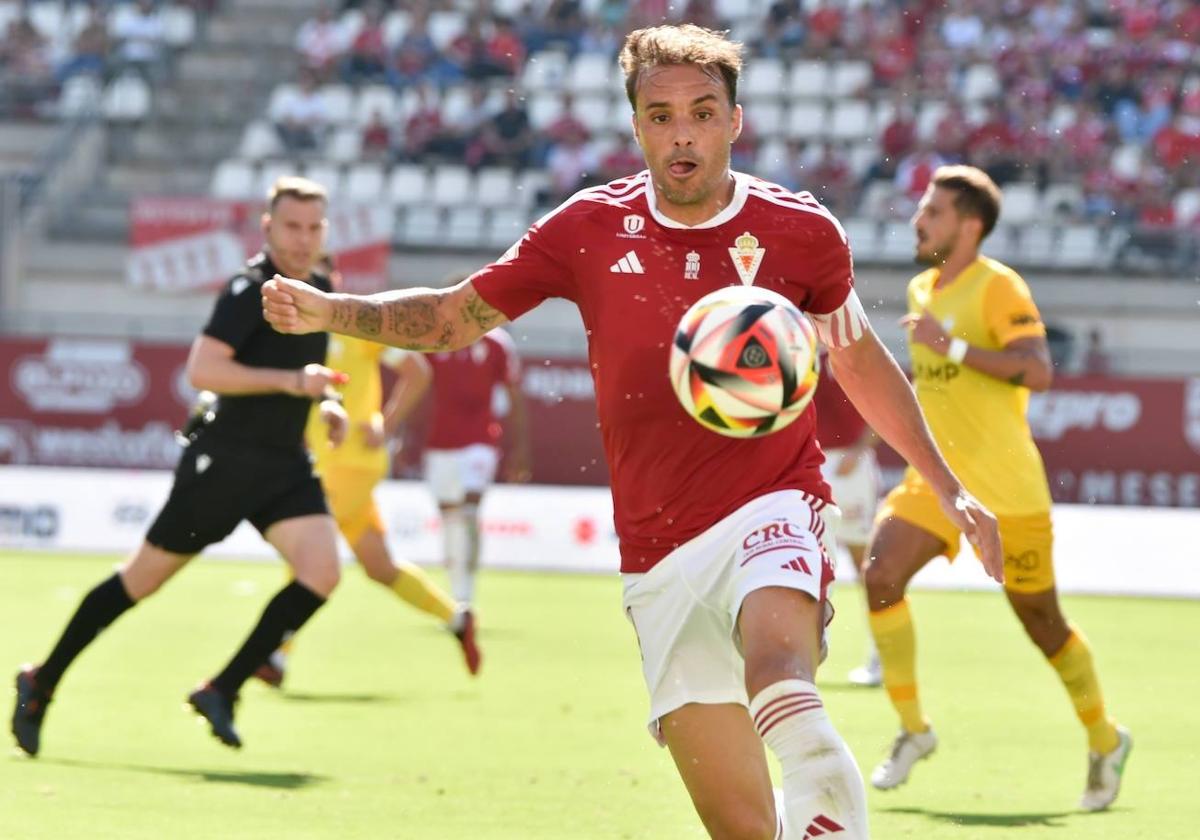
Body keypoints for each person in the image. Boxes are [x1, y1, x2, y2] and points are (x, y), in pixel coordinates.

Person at [262, 26, 1002, 839]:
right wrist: (332, 310)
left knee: (779, 671)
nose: (682, 132)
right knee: (744, 829)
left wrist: (950, 487)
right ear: (637, 126)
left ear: (735, 121)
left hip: (774, 505)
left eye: (702, 112)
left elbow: (858, 363)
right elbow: (450, 318)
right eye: (660, 115)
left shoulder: (803, 232)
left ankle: (825, 809)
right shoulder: (586, 228)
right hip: (657, 551)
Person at [11, 177, 348, 754]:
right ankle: (41, 681)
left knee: (322, 572)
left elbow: (310, 374)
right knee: (140, 581)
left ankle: (222, 688)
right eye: (292, 226)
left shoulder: (320, 287)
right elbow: (204, 369)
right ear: (267, 228)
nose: (303, 238)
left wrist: (328, 401)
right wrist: (295, 384)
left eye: (314, 227)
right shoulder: (249, 290)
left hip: (283, 465)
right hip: (225, 463)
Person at [862, 165, 1131, 811]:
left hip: (1008, 490)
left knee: (1042, 623)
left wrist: (950, 347)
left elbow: (1038, 372)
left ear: (969, 224)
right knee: (879, 576)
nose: (917, 221)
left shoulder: (998, 285)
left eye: (932, 212)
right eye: (921, 209)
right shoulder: (921, 287)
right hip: (937, 483)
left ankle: (1105, 738)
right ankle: (913, 731)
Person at [256, 257, 482, 689]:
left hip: (354, 460)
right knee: (379, 567)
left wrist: (386, 423)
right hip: (325, 461)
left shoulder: (350, 321)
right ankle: (456, 618)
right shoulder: (295, 331)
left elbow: (417, 371)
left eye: (322, 275)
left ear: (335, 279)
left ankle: (275, 655)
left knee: (306, 549)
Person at [388, 315, 531, 611]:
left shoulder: (497, 344)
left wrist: (519, 447)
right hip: (438, 444)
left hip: (480, 442)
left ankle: (466, 593)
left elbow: (514, 395)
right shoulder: (434, 340)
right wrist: (406, 436)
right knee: (450, 517)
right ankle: (457, 591)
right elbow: (418, 388)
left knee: (467, 511)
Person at [812, 353, 882, 687]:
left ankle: (881, 654)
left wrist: (860, 449)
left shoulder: (849, 349)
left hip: (850, 465)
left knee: (864, 564)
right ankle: (805, 657)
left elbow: (884, 402)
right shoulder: (789, 341)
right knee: (807, 562)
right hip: (808, 462)